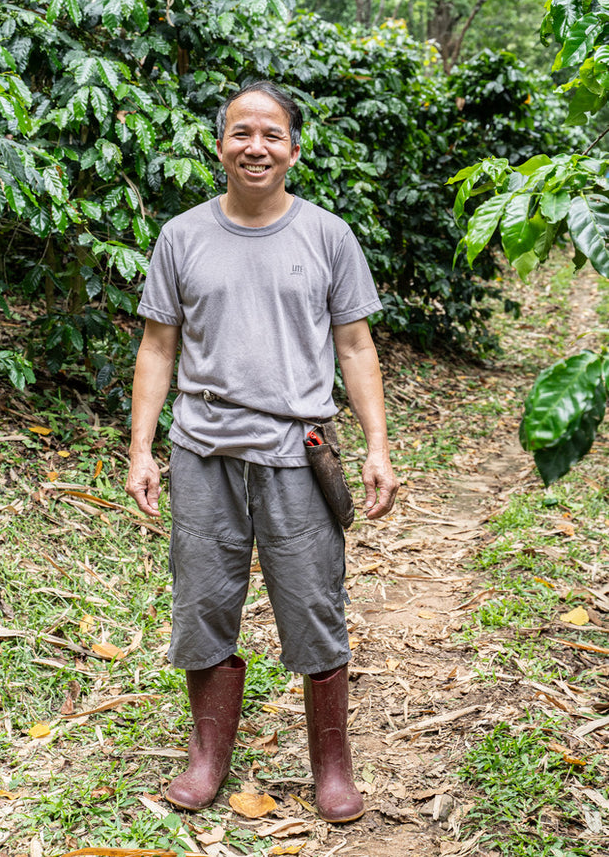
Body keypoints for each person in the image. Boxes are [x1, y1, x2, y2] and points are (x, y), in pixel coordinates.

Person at [125, 80, 399, 824]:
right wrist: (141, 448)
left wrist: (376, 445)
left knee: (313, 606)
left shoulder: (327, 235)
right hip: (203, 450)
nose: (256, 146)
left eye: (272, 135)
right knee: (203, 605)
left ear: (294, 150)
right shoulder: (182, 236)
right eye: (241, 133)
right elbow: (158, 346)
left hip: (296, 454)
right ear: (220, 146)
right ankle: (208, 758)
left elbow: (355, 345)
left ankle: (333, 769)